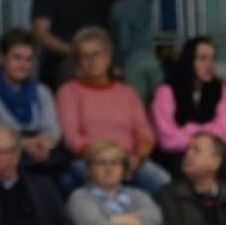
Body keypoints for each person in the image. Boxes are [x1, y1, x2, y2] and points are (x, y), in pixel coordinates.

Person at [56, 26, 171, 193]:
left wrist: (136, 158)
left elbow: (145, 133)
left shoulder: (127, 93)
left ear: (108, 57)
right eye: (85, 56)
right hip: (90, 161)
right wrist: (110, 160)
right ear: (78, 62)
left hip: (130, 160)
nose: (91, 61)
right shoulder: (69, 91)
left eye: (96, 54)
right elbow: (71, 137)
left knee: (165, 184)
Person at [0, 28, 66, 177]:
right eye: (17, 58)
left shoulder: (42, 91)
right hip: (4, 153)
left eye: (28, 59)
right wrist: (26, 145)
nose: (23, 65)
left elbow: (53, 130)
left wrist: (42, 144)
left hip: (42, 152)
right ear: (2, 58)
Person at [67, 138, 163, 225]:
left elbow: (154, 218)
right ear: (89, 170)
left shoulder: (137, 195)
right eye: (101, 163)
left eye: (115, 163)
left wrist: (110, 219)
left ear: (123, 169)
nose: (109, 168)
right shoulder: (80, 197)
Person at [150, 37, 226, 172]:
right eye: (203, 59)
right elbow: (167, 139)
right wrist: (203, 138)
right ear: (189, 60)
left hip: (211, 153)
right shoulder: (166, 90)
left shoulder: (222, 89)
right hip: (177, 154)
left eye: (212, 59)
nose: (209, 65)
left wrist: (189, 129)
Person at [32, 0, 113, 86]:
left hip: (99, 54)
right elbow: (40, 34)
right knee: (74, 71)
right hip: (62, 58)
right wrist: (74, 51)